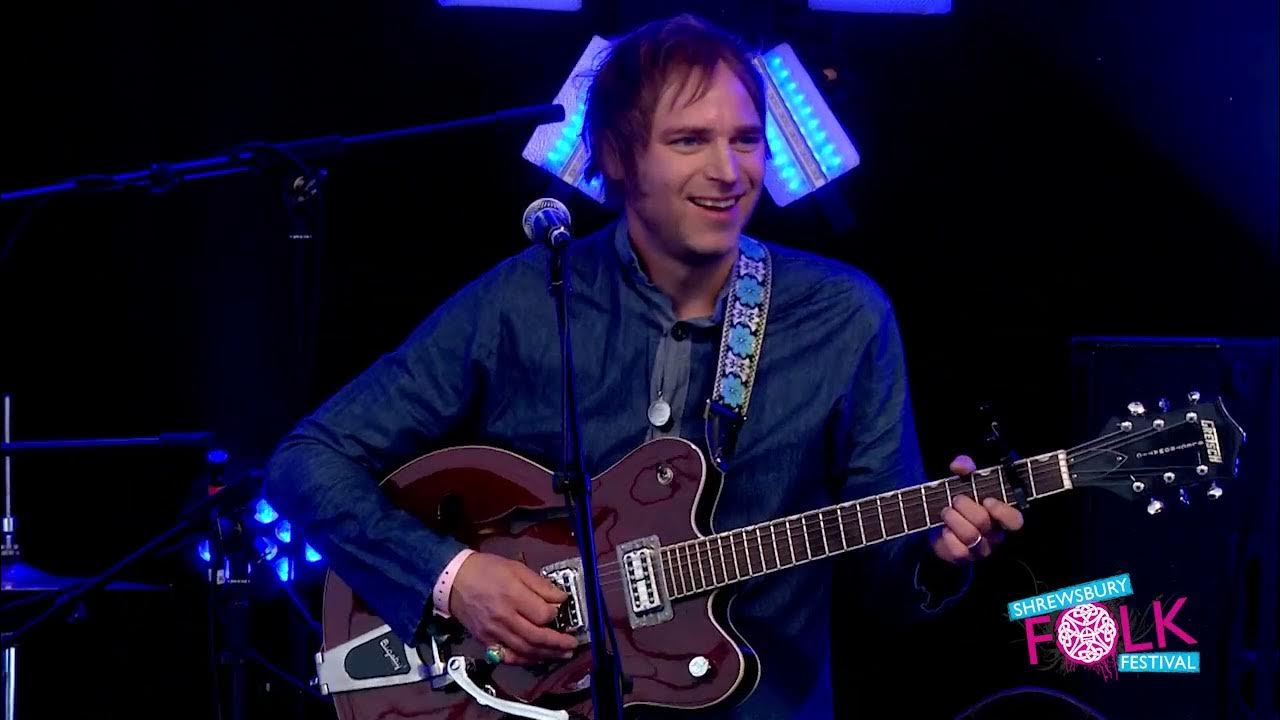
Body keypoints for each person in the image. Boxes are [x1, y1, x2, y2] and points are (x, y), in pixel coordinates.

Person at [264, 12, 1025, 719]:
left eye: (747, 139)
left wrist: (939, 551)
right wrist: (455, 577)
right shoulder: (527, 297)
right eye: (691, 140)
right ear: (621, 157)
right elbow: (306, 462)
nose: (731, 171)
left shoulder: (846, 316)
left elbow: (887, 586)